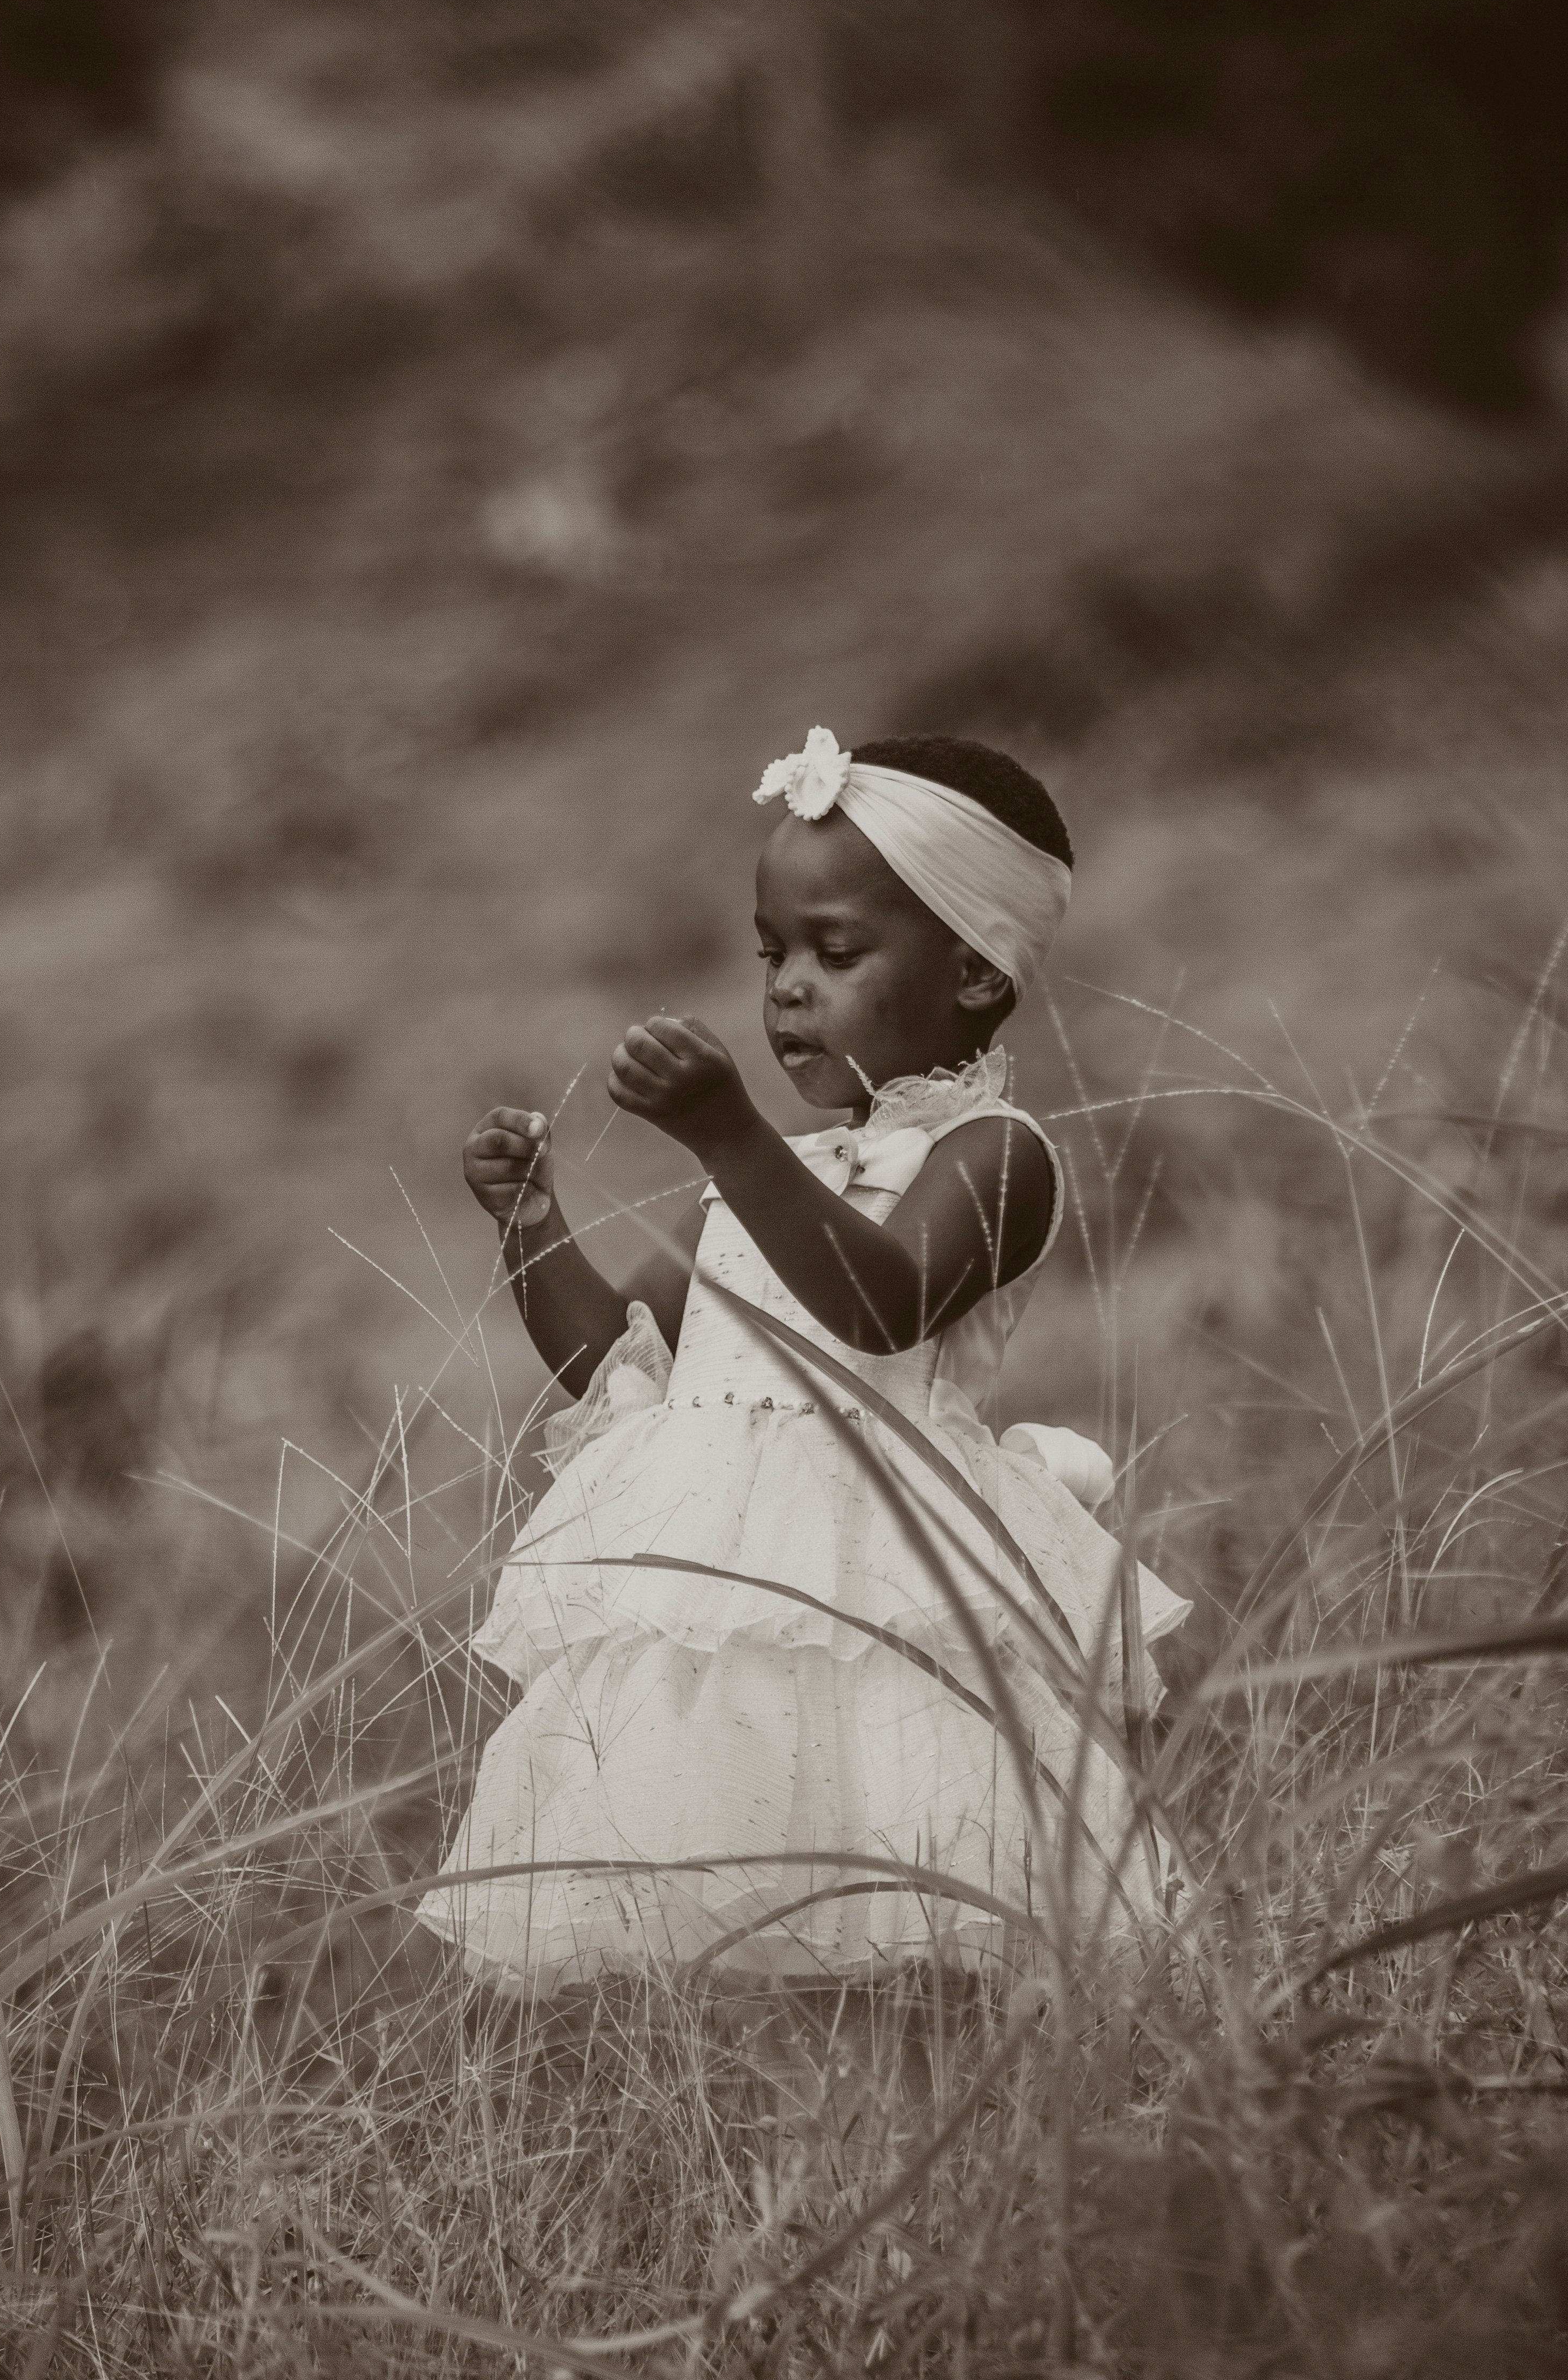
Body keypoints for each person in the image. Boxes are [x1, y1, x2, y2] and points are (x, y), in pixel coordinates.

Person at [424, 727, 1188, 1991]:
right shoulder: (777, 1179)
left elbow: (881, 1306)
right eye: (772, 953)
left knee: (907, 1897)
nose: (786, 988)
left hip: (885, 1584)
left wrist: (728, 1134)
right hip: (729, 1604)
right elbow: (622, 1368)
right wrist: (530, 1226)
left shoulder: (996, 1153)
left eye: (835, 954)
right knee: (728, 1910)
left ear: (977, 974)